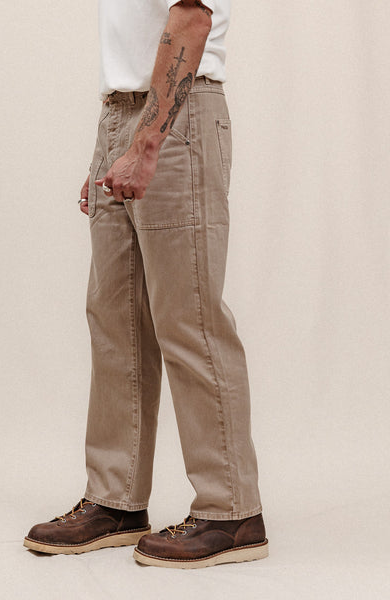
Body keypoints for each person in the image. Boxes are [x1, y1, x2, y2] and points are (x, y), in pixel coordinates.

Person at [24, 0, 268, 569]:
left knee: (189, 317)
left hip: (177, 118)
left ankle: (232, 512)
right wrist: (114, 145)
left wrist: (146, 142)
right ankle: (116, 501)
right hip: (121, 113)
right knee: (116, 321)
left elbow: (193, 20)